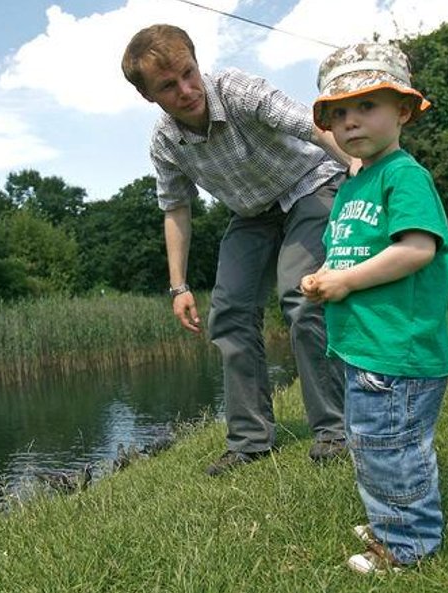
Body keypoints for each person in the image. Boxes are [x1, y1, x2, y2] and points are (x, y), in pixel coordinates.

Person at [121, 24, 351, 476]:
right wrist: (179, 286)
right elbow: (176, 210)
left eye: (189, 73)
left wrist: (361, 166)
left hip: (312, 185)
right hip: (252, 213)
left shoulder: (239, 90)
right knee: (227, 313)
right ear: (149, 96)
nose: (187, 91)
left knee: (302, 295)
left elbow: (314, 127)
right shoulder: (166, 142)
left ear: (196, 61)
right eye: (168, 86)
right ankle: (250, 441)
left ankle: (335, 430)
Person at [300, 43, 448, 573]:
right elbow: (352, 250)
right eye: (339, 114)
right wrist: (326, 277)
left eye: (367, 106)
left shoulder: (403, 175)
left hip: (396, 347)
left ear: (404, 110)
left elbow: (417, 249)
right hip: (367, 345)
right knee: (379, 444)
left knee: (390, 447)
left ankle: (407, 544)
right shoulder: (355, 181)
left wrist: (344, 282)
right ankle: (395, 517)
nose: (350, 122)